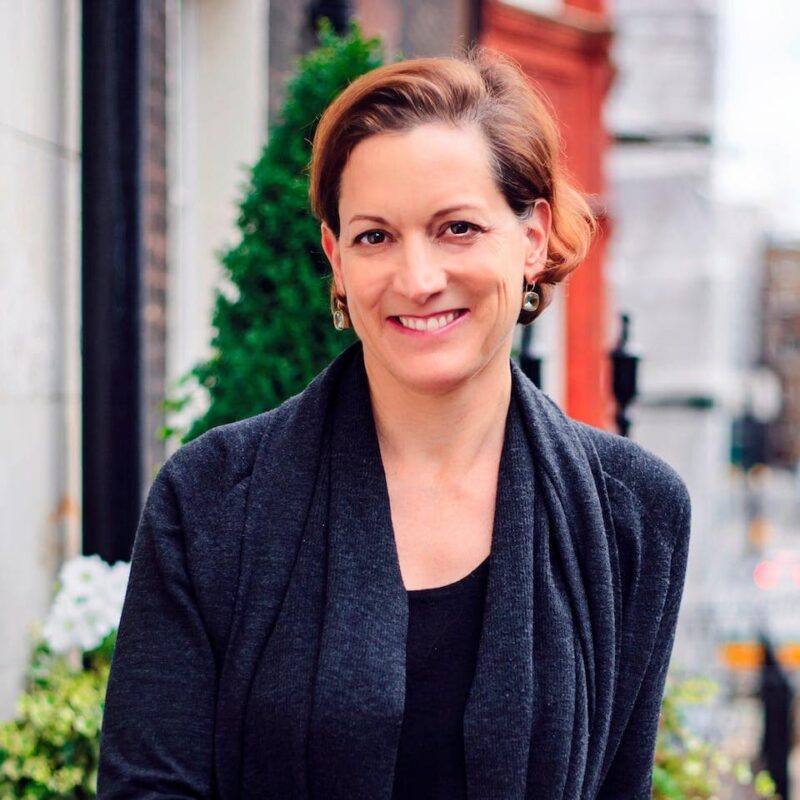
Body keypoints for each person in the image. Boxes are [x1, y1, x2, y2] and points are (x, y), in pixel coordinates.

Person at [98, 52, 691, 800]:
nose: (417, 279)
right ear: (335, 259)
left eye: (458, 228)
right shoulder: (213, 501)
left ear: (533, 237)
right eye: (376, 237)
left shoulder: (633, 515)